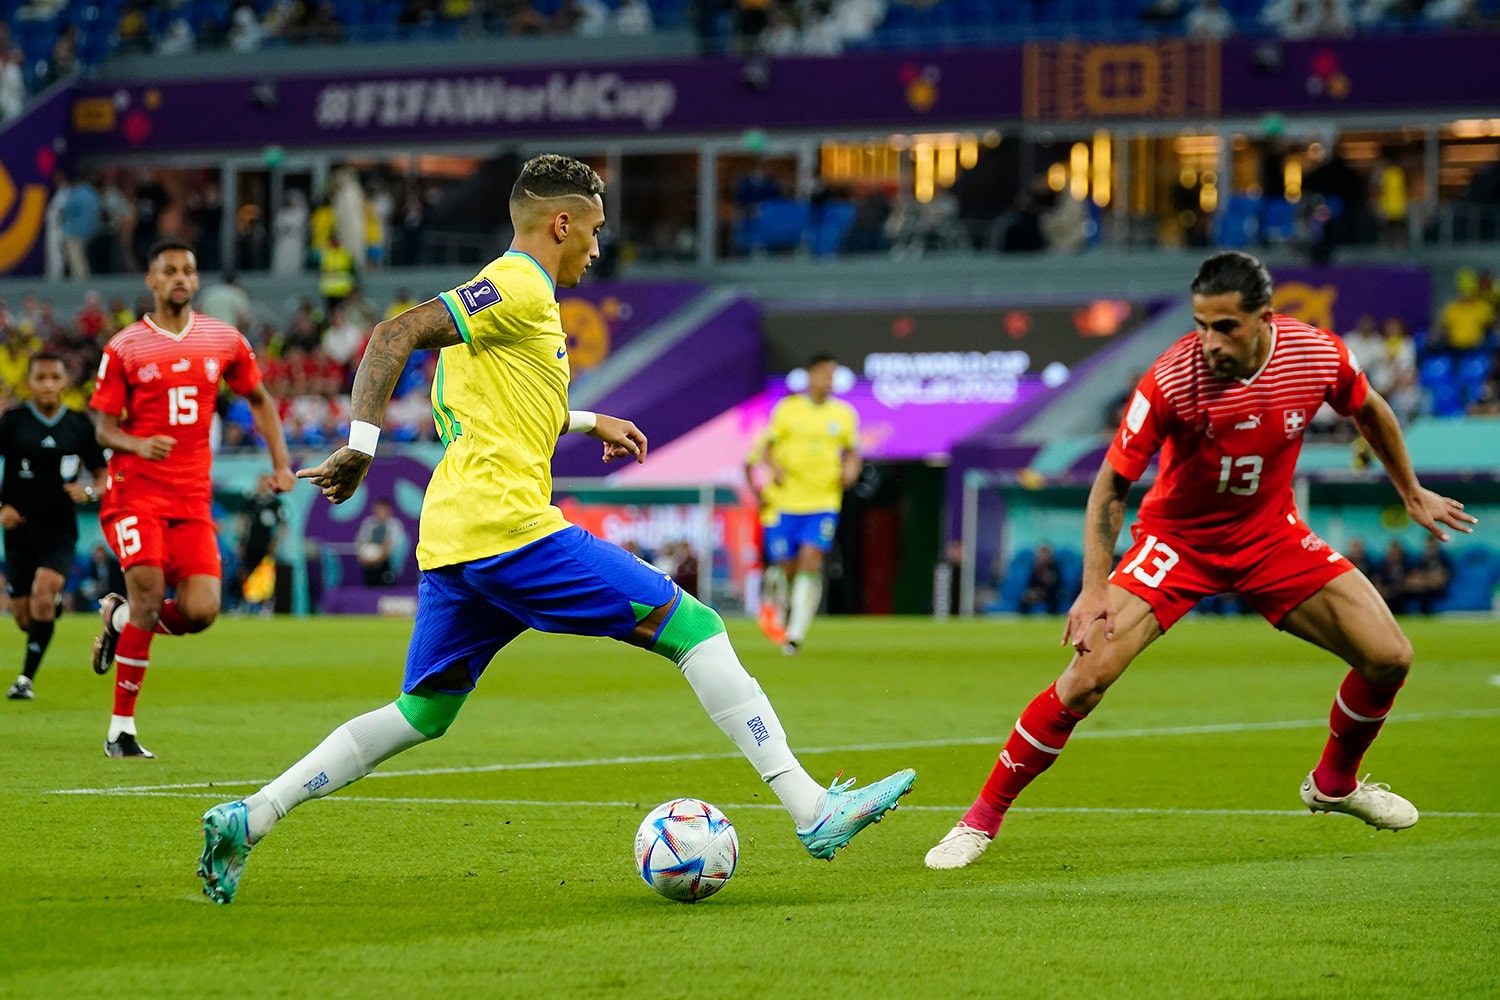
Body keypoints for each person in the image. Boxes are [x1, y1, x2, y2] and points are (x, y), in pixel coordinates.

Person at [196, 154, 915, 905]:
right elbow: (391, 334)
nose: (598, 250)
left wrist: (585, 418)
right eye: (595, 231)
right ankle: (810, 808)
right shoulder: (517, 283)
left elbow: (498, 406)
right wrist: (363, 446)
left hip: (455, 541)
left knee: (422, 713)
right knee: (694, 625)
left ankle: (251, 816)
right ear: (560, 223)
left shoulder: (496, 304)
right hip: (510, 528)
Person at [924, 251, 1476, 870]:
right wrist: (1094, 587)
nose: (1208, 341)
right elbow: (1110, 484)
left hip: (1271, 536)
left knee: (1389, 656)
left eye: (1225, 327)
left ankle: (1334, 783)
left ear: (1264, 318)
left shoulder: (1315, 354)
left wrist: (1410, 490)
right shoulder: (1170, 379)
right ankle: (978, 821)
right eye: (1200, 324)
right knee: (1084, 683)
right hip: (1177, 545)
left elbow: (1369, 408)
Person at [89, 238, 295, 759]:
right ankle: (121, 731)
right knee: (150, 596)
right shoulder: (125, 346)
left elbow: (259, 399)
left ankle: (118, 621)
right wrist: (138, 442)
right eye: (169, 270)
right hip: (134, 493)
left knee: (202, 611)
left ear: (196, 281)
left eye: (187, 270)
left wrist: (279, 463)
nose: (179, 278)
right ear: (152, 281)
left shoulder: (222, 340)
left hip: (191, 500)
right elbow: (104, 429)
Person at [1, 354, 109, 700]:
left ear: (65, 382)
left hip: (59, 529)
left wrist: (90, 491)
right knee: (25, 617)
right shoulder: (13, 422)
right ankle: (49, 611)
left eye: (54, 377)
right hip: (19, 530)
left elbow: (107, 476)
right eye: (40, 377)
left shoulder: (78, 425)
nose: (48, 384)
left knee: (43, 594)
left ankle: (25, 680)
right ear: (29, 383)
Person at [745, 353, 862, 655]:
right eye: (825, 373)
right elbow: (766, 449)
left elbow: (852, 452)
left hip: (823, 500)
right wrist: (775, 468)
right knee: (787, 568)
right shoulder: (788, 410)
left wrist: (851, 469)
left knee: (812, 559)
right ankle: (780, 609)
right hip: (786, 502)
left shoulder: (844, 414)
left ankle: (796, 632)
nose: (830, 380)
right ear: (810, 375)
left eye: (833, 374)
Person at [234, 473, 284, 609]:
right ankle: (243, 602)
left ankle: (266, 604)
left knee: (266, 575)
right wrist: (240, 541)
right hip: (250, 542)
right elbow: (242, 521)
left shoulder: (275, 503)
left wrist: (276, 542)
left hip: (267, 544)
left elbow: (282, 525)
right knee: (245, 573)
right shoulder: (250, 501)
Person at [355, 497, 406, 587]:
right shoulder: (368, 524)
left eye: (384, 510)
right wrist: (365, 557)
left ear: (389, 511)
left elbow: (390, 546)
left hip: (387, 563)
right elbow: (362, 542)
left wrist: (377, 558)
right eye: (379, 510)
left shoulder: (395, 525)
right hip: (368, 563)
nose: (381, 513)